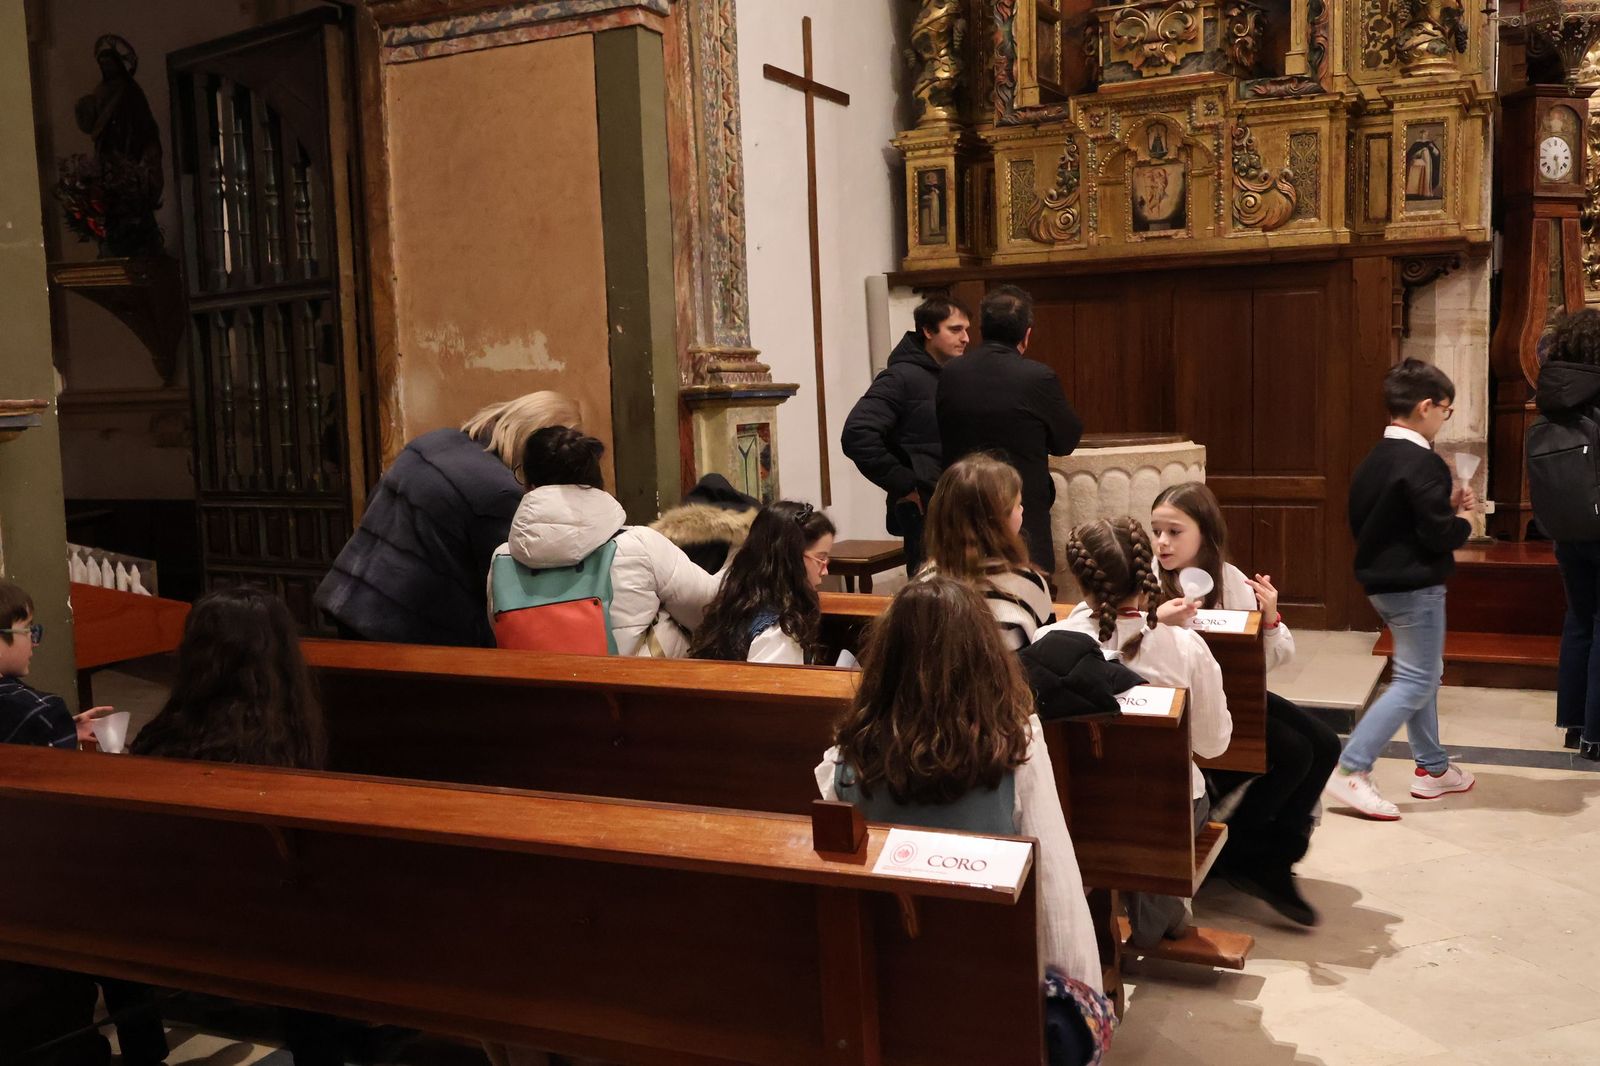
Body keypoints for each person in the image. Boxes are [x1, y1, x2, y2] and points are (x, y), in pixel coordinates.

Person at [814, 577, 1111, 1065]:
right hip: (991, 980)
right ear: (983, 655)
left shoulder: (847, 758)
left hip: (882, 986)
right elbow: (1055, 884)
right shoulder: (1016, 745)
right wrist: (1081, 993)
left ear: (885, 661)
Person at [128, 587, 332, 1064]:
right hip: (270, 936)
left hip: (151, 923)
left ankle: (142, 1047)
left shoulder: (160, 742)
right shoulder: (287, 749)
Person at [1150, 482, 1338, 926]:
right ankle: (1253, 854)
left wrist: (1269, 620)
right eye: (1157, 530)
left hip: (1237, 695)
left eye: (1175, 532)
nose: (1162, 542)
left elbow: (1271, 661)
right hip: (1185, 705)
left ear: (1205, 534)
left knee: (1326, 743)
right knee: (1293, 752)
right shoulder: (1147, 580)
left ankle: (1268, 850)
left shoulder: (1231, 580)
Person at [1041, 516, 1232, 947]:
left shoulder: (1048, 642)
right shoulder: (1183, 646)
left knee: (1107, 807)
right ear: (1145, 573)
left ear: (1078, 577)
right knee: (1176, 799)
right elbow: (1214, 744)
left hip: (1078, 806)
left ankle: (1100, 907)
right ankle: (1157, 910)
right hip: (1163, 807)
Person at [0, 581, 161, 1066]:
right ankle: (146, 1055)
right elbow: (72, 817)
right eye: (28, 630)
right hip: (36, 890)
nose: (34, 642)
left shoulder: (41, 716)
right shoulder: (36, 710)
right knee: (120, 915)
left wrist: (64, 727)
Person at [1327, 358, 1476, 820]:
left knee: (1422, 673)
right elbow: (1436, 536)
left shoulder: (1375, 458)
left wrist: (1442, 506)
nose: (1443, 420)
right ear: (1426, 406)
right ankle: (1352, 768)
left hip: (1381, 582)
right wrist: (1463, 522)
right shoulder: (1423, 460)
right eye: (1445, 411)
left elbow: (1390, 519)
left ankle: (1433, 768)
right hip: (1415, 585)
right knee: (1416, 678)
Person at [316, 391, 580, 647]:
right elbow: (506, 589)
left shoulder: (435, 441)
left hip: (347, 597)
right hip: (399, 628)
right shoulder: (499, 489)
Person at [489, 427, 720, 657]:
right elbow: (711, 611)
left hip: (535, 693)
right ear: (596, 479)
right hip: (635, 690)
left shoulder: (501, 561)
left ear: (529, 485)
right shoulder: (640, 546)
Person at [936, 285, 1082, 573]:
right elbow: (1066, 440)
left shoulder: (951, 373)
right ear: (1026, 334)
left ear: (981, 329)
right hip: (1019, 507)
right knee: (1028, 586)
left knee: (965, 588)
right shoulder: (1037, 377)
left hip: (965, 502)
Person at [841, 295, 971, 574]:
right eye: (955, 329)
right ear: (927, 331)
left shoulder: (948, 375)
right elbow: (857, 434)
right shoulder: (899, 377)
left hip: (954, 504)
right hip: (925, 509)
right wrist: (906, 484)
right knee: (931, 598)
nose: (966, 338)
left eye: (967, 330)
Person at [1528, 310, 1600, 759]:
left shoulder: (1552, 397)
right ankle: (1597, 735)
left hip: (1565, 529)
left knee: (1579, 620)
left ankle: (1575, 725)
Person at [922, 454, 1054, 650]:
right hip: (1006, 680)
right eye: (1017, 505)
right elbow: (1046, 654)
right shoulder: (1027, 584)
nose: (1022, 510)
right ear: (996, 522)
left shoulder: (925, 579)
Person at [689, 501, 835, 664]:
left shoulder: (739, 600)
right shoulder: (776, 634)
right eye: (821, 559)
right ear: (790, 558)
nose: (825, 571)